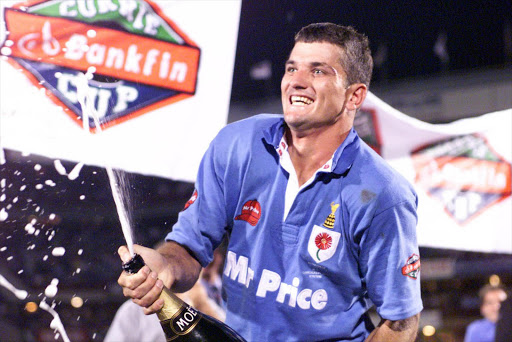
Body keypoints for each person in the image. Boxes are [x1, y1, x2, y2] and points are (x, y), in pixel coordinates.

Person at [117, 22, 422, 341]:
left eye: (318, 71)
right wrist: (163, 266)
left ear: (354, 96)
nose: (297, 82)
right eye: (292, 68)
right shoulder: (236, 144)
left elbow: (400, 321)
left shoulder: (383, 194)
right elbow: (190, 249)